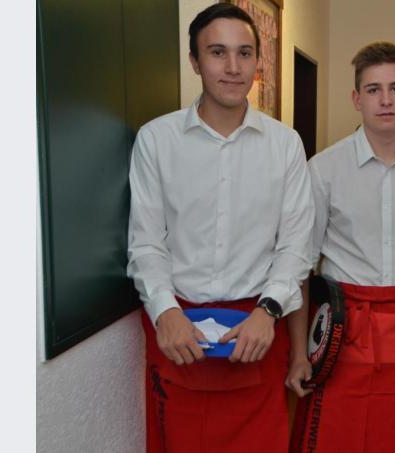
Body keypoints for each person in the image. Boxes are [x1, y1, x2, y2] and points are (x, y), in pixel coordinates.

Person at [126, 4, 314, 452]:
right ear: (195, 61)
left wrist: (268, 312)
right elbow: (146, 241)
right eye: (217, 52)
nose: (233, 67)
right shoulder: (157, 140)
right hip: (177, 333)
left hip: (256, 330)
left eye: (245, 53)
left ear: (258, 62)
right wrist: (165, 313)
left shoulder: (285, 145)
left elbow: (295, 245)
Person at [289, 41, 395, 453]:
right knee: (337, 436)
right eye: (373, 90)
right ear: (356, 98)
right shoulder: (324, 170)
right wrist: (297, 352)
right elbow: (299, 264)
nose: (386, 100)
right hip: (342, 326)